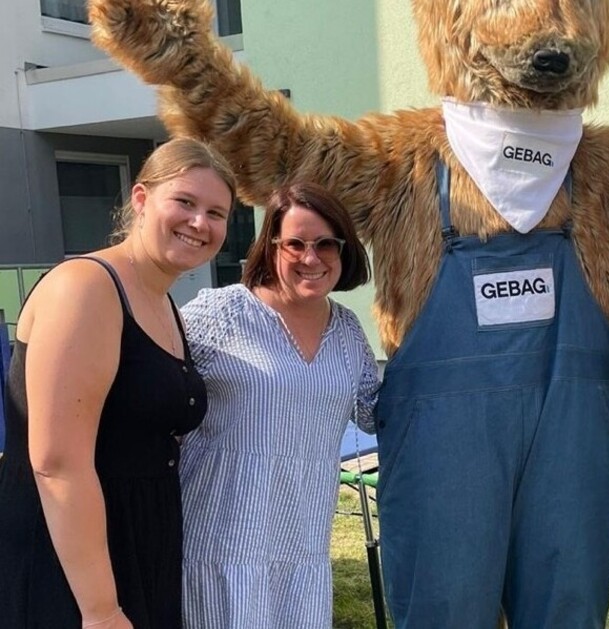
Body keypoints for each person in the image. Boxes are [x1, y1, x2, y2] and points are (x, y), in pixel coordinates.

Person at [0, 138, 236, 628]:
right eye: (185, 202)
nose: (200, 223)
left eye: (216, 213)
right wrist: (101, 610)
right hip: (71, 558)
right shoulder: (85, 288)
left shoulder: (163, 303)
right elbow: (57, 464)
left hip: (139, 539)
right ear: (141, 198)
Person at [177, 182, 379, 627]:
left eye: (326, 244)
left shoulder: (347, 330)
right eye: (295, 244)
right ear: (271, 246)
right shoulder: (220, 314)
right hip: (221, 549)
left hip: (303, 551)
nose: (311, 258)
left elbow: (375, 412)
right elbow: (157, 395)